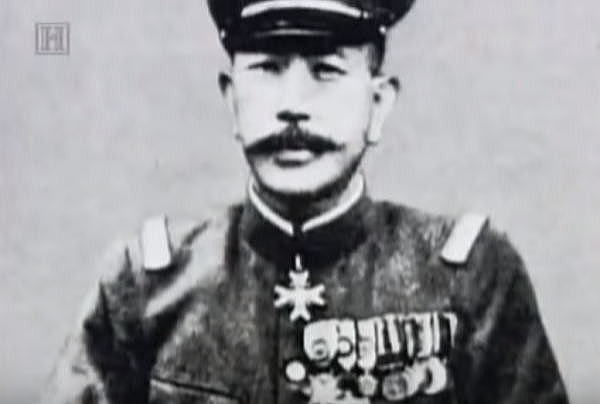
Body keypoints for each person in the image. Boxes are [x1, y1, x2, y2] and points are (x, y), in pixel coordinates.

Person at [41, 0, 569, 403]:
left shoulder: (472, 279)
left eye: (326, 70)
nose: (292, 106)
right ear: (231, 100)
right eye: (268, 68)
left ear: (378, 104)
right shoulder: (145, 286)